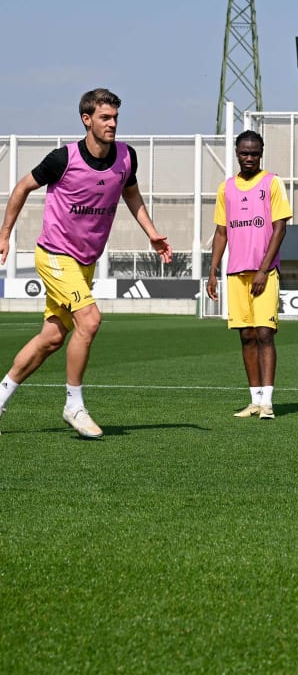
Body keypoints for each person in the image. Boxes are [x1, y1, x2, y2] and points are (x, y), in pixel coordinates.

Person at [0, 88, 172, 439]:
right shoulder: (62, 159)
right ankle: (73, 405)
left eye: (115, 118)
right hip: (54, 254)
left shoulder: (126, 158)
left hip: (85, 262)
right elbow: (21, 188)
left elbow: (131, 194)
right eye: (105, 118)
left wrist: (152, 233)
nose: (112, 124)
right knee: (90, 320)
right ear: (87, 120)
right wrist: (4, 235)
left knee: (51, 338)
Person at [206, 130, 292, 421]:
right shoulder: (226, 188)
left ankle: (267, 402)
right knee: (246, 336)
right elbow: (221, 232)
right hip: (235, 274)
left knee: (265, 333)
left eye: (255, 153)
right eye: (245, 153)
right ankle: (254, 401)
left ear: (261, 153)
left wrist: (264, 270)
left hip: (264, 273)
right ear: (236, 153)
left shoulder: (272, 183)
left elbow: (280, 229)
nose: (250, 158)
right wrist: (213, 269)